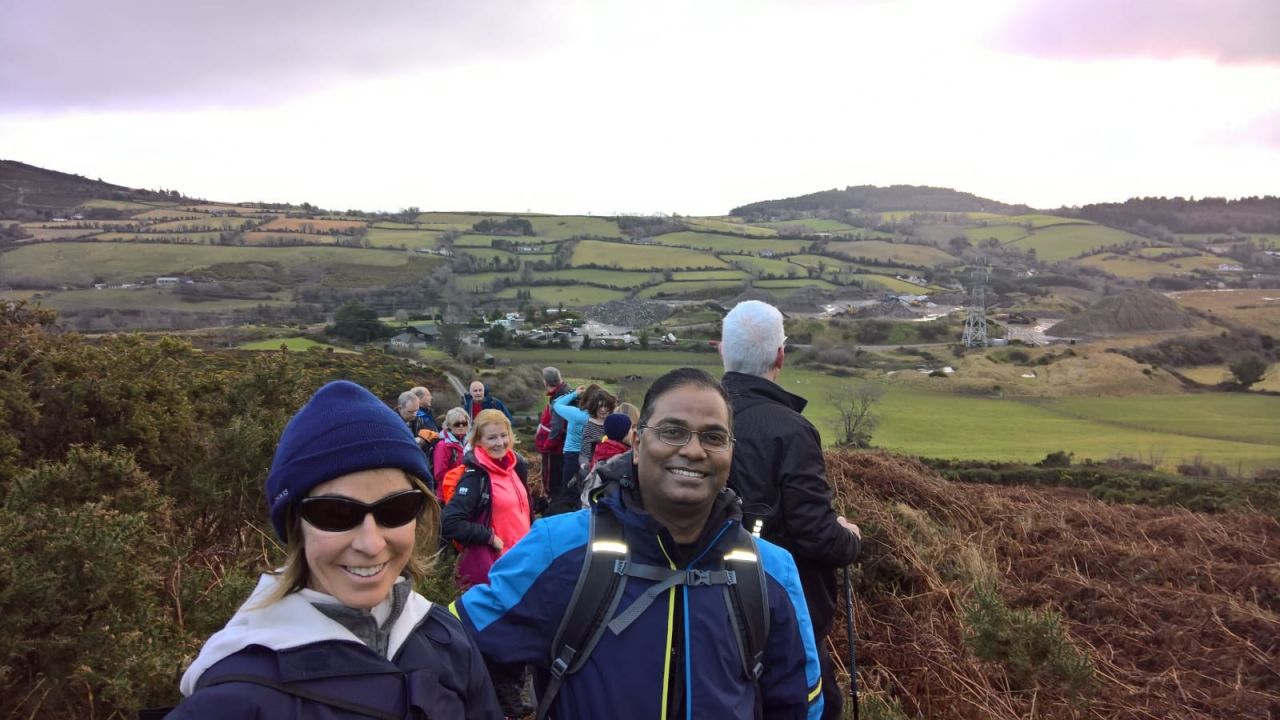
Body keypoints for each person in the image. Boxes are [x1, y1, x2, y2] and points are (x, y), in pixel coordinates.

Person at [453, 368, 824, 720]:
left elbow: (799, 706)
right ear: (637, 441)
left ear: (730, 451)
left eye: (713, 437)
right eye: (672, 431)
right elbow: (453, 651)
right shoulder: (558, 548)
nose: (694, 451)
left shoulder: (772, 571)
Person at [168, 380, 502, 719]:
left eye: (396, 510)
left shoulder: (444, 636)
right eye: (335, 514)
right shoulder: (234, 697)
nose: (371, 544)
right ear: (295, 525)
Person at [720, 300, 862, 720]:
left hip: (703, 605)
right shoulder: (790, 429)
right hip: (779, 610)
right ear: (781, 355)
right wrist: (851, 538)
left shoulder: (691, 418)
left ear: (721, 351)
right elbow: (815, 534)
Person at [440, 408, 533, 717]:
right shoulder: (475, 476)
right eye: (491, 437)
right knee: (498, 636)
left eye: (503, 435)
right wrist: (488, 537)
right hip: (493, 570)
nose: (499, 442)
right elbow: (450, 522)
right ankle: (505, 702)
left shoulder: (515, 467)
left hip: (520, 568)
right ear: (478, 440)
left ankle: (509, 696)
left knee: (516, 632)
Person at [535, 367, 573, 504]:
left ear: (545, 382)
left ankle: (552, 504)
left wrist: (548, 445)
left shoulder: (559, 399)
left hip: (555, 449)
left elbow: (557, 427)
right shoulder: (566, 392)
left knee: (552, 479)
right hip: (562, 447)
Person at [577, 386, 617, 474]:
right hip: (598, 470)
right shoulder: (589, 428)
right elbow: (584, 455)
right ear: (594, 408)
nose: (603, 409)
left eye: (606, 406)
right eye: (600, 407)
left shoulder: (615, 421)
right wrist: (586, 466)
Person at [433, 407, 469, 480]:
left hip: (465, 485)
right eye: (457, 424)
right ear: (449, 426)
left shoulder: (469, 442)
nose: (461, 426)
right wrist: (463, 474)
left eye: (464, 423)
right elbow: (439, 475)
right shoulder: (443, 445)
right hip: (449, 488)